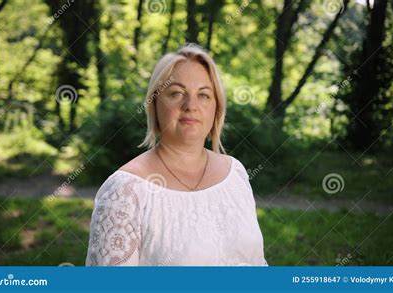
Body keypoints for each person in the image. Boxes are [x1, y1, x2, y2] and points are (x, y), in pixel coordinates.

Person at [85, 44, 268, 266]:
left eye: (203, 95)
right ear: (154, 105)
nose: (191, 105)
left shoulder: (235, 173)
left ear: (216, 108)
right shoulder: (125, 192)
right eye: (176, 93)